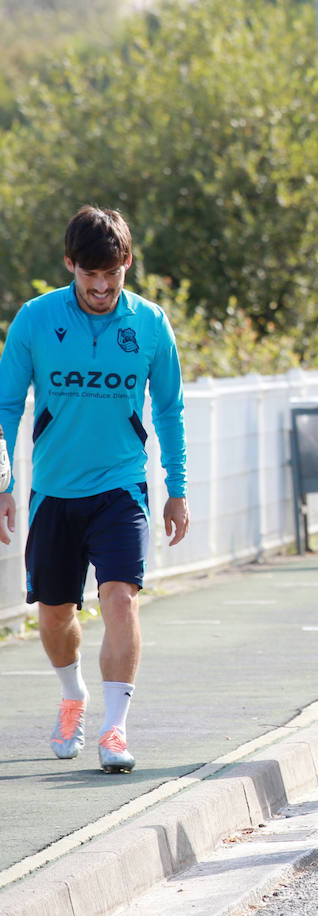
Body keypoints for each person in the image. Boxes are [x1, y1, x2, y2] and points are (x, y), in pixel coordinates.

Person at [0, 206, 189, 774]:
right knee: (55, 616)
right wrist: (6, 481)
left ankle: (114, 729)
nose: (103, 287)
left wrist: (175, 488)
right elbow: (6, 406)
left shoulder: (151, 324)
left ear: (127, 262)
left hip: (121, 488)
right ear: (70, 265)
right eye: (90, 276)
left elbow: (171, 409)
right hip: (54, 493)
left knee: (121, 598)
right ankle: (73, 697)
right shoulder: (34, 320)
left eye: (113, 274)